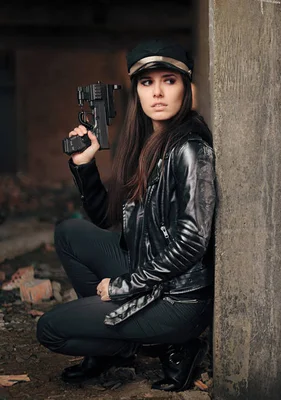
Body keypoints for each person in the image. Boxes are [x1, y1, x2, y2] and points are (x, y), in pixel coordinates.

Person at [36, 40, 216, 392]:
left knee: (51, 330)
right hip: (150, 272)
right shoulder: (146, 144)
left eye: (169, 80)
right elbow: (105, 218)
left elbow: (192, 241)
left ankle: (172, 345)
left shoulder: (191, 150)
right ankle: (114, 346)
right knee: (69, 232)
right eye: (147, 83)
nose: (158, 93)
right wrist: (85, 165)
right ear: (137, 91)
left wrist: (123, 286)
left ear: (186, 87)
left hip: (177, 299)